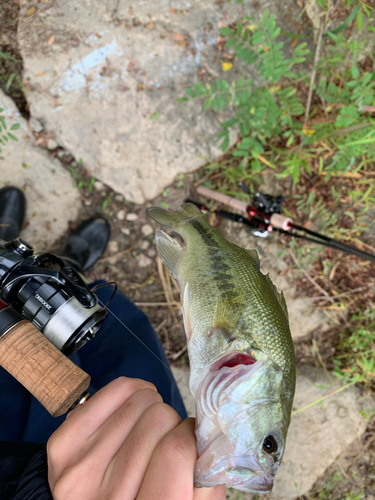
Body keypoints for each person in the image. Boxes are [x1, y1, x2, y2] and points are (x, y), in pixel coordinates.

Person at [0, 186, 225, 500]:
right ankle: (52, 279)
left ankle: (26, 278)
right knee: (133, 362)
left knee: (10, 389)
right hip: (143, 453)